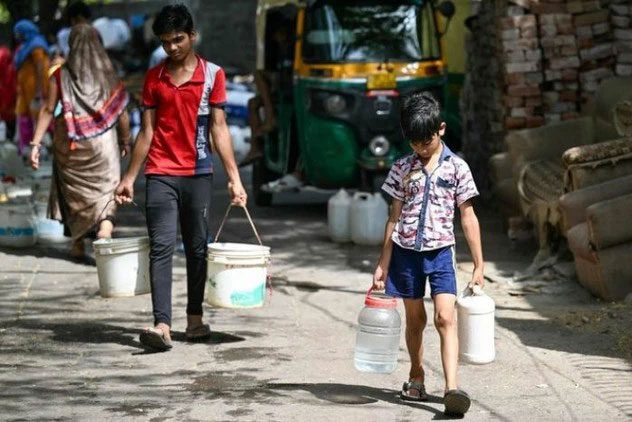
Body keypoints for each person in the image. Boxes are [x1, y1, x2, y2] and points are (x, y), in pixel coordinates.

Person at [114, 4, 247, 352]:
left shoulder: (212, 75)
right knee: (160, 248)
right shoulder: (154, 78)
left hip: (199, 174)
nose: (172, 48)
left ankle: (194, 319)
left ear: (192, 36)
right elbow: (147, 132)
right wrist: (129, 177)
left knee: (197, 248)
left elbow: (219, 129)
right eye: (165, 42)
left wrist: (234, 177)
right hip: (159, 173)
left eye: (177, 40)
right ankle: (162, 325)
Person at [372, 92, 484, 416]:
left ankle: (452, 389)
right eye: (414, 142)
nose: (421, 148)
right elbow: (393, 216)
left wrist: (479, 264)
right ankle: (416, 375)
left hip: (441, 254)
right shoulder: (401, 168)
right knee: (416, 320)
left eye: (427, 141)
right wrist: (383, 263)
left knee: (444, 318)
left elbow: (468, 216)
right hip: (406, 254)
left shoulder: (458, 169)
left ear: (442, 129)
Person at [29, 24, 131, 259]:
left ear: (71, 44)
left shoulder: (60, 75)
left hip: (70, 142)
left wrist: (36, 144)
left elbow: (47, 109)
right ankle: (105, 230)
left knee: (74, 194)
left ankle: (77, 243)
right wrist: (125, 140)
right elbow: (121, 111)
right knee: (106, 191)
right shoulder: (109, 73)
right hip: (103, 145)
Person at [13, 20, 49, 156]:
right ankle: (25, 148)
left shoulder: (36, 46)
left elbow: (40, 68)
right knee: (23, 116)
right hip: (25, 90)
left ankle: (39, 149)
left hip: (35, 90)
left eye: (19, 33)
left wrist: (39, 91)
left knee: (37, 119)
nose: (17, 36)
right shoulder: (26, 46)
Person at [0, 46, 17, 141]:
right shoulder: (12, 67)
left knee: (7, 115)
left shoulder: (2, 53)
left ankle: (9, 136)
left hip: (6, 92)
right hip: (9, 92)